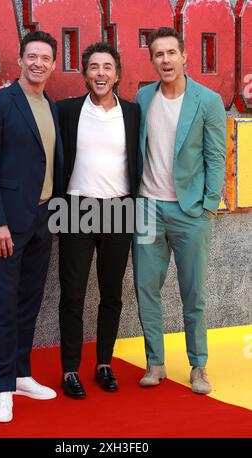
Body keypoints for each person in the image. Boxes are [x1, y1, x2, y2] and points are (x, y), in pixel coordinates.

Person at [0, 30, 63, 422]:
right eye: (32, 56)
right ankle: (3, 387)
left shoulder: (52, 106)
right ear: (20, 60)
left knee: (30, 299)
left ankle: (23, 374)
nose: (39, 63)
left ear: (54, 64)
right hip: (8, 224)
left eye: (46, 57)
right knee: (6, 303)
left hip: (43, 219)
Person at [133, 27, 226, 394]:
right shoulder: (142, 98)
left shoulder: (208, 100)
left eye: (172, 53)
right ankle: (155, 363)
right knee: (146, 289)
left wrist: (208, 205)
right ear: (152, 60)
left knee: (194, 293)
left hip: (190, 212)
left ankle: (198, 366)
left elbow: (216, 156)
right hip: (146, 209)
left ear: (185, 56)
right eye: (159, 54)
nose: (166, 60)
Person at [56, 42, 140, 398]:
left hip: (120, 208)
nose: (101, 73)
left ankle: (104, 363)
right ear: (85, 74)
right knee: (72, 295)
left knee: (112, 293)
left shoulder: (134, 113)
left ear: (117, 74)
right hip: (75, 208)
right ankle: (70, 370)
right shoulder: (66, 111)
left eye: (107, 67)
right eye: (94, 67)